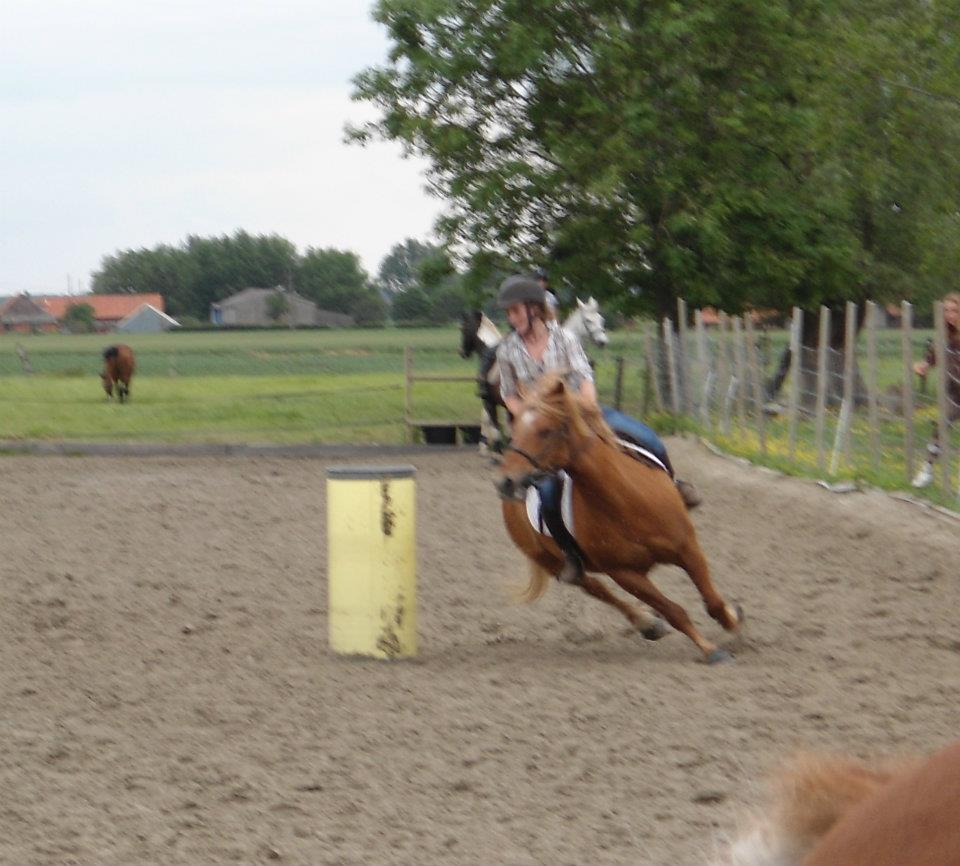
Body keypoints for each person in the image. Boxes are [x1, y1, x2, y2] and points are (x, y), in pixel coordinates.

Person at [495, 274, 701, 585]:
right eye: (508, 313)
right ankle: (571, 555)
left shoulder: (564, 338)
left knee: (646, 437)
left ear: (534, 310)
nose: (510, 318)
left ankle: (674, 485)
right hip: (544, 431)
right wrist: (526, 416)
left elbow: (583, 374)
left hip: (581, 412)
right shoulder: (507, 350)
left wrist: (587, 405)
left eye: (514, 311)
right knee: (548, 495)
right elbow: (508, 392)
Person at [912, 292, 960, 487]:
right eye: (946, 310)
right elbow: (931, 358)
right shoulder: (943, 336)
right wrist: (922, 366)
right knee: (940, 425)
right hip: (954, 392)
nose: (950, 314)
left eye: (954, 310)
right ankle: (927, 470)